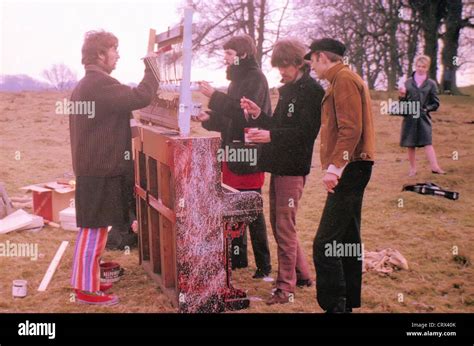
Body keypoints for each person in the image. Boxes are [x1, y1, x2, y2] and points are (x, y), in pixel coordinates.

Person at [69, 30, 158, 305]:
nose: (117, 55)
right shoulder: (99, 84)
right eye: (114, 49)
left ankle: (88, 282)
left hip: (96, 169)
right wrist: (152, 65)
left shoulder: (91, 84)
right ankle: (85, 290)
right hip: (98, 170)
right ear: (99, 54)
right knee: (93, 230)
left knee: (94, 229)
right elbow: (141, 96)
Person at [240, 38, 324, 305]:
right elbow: (277, 125)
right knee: (281, 226)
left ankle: (285, 289)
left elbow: (305, 133)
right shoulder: (289, 89)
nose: (281, 72)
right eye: (278, 67)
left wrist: (270, 136)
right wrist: (258, 115)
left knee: (285, 228)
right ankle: (303, 275)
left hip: (293, 168)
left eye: (284, 66)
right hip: (279, 166)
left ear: (299, 62)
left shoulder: (312, 91)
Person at [194, 35, 273, 279]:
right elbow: (229, 120)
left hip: (248, 154)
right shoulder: (236, 81)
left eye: (230, 53)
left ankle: (264, 265)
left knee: (252, 208)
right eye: (225, 53)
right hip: (231, 151)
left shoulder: (256, 79)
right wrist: (210, 119)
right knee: (233, 206)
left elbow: (243, 115)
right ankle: (238, 259)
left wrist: (214, 96)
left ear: (243, 55)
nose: (226, 57)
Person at [306, 38, 375, 313]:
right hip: (356, 166)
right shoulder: (341, 79)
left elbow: (350, 130)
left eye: (312, 59)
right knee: (347, 239)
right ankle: (347, 302)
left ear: (322, 56)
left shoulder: (344, 79)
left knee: (324, 243)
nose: (311, 65)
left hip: (351, 168)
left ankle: (334, 304)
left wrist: (335, 168)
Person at [399, 55, 445, 176]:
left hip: (424, 118)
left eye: (423, 66)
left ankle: (435, 167)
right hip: (410, 118)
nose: (420, 68)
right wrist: (402, 96)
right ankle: (413, 169)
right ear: (415, 66)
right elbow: (402, 104)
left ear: (427, 68)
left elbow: (435, 103)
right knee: (410, 144)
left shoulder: (431, 84)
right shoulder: (407, 82)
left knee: (428, 143)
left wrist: (425, 109)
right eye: (418, 66)